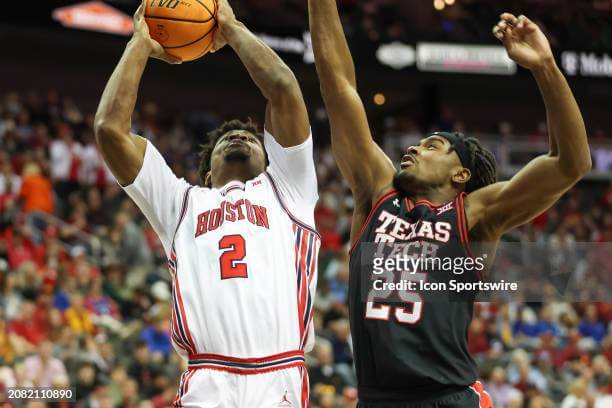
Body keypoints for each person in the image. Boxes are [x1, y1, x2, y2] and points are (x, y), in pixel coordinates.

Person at [309, 2, 591, 406]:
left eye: (432, 146)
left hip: (447, 396)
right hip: (378, 399)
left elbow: (571, 162)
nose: (413, 148)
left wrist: (545, 67)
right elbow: (338, 85)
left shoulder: (473, 214)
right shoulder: (377, 193)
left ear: (460, 176)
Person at [94, 0, 319, 405]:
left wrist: (230, 28)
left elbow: (284, 89)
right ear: (208, 175)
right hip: (207, 379)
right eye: (224, 142)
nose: (239, 138)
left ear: (272, 161)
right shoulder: (181, 203)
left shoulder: (289, 187)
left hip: (279, 374)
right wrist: (139, 44)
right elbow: (110, 129)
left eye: (251, 138)